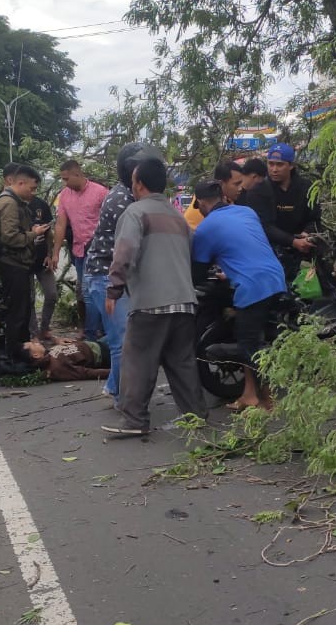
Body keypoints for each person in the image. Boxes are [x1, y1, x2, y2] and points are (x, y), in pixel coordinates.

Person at [102, 157, 207, 437]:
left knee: (137, 360)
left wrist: (113, 289)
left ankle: (135, 421)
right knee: (182, 362)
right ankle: (196, 416)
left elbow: (124, 252)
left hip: (150, 302)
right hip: (185, 301)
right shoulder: (178, 217)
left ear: (139, 183)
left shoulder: (136, 213)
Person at [192, 180, 286, 409]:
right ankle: (249, 394)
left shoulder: (206, 228)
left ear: (202, 202)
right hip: (275, 277)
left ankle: (265, 400)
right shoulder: (246, 211)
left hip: (252, 286)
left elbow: (197, 272)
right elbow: (244, 249)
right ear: (224, 197)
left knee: (248, 346)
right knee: (248, 337)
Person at [83, 142, 160, 405]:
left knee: (126, 339)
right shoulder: (121, 201)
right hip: (106, 276)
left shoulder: (134, 197)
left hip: (117, 276)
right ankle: (124, 401)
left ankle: (115, 387)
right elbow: (136, 245)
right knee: (123, 341)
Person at [0, 165, 50, 366]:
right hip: (13, 264)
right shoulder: (8, 203)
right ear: (20, 182)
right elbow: (9, 236)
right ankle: (14, 357)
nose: (33, 194)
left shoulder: (14, 202)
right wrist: (34, 234)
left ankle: (18, 354)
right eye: (32, 189)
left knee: (22, 312)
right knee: (16, 314)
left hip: (18, 264)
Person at [243, 144, 321, 281]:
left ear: (291, 165)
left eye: (280, 165)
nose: (274, 169)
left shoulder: (306, 187)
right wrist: (293, 242)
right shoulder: (258, 191)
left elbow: (315, 218)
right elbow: (264, 226)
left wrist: (306, 234)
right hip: (271, 254)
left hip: (304, 251)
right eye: (271, 164)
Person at [51, 159, 107, 338]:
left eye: (66, 179)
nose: (65, 183)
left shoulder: (100, 192)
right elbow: (60, 225)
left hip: (101, 251)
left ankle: (99, 333)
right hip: (79, 251)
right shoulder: (65, 196)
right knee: (85, 293)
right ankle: (91, 332)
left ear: (77, 174)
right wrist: (55, 253)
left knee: (99, 291)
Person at [28, 192, 56, 340]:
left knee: (51, 294)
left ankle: (45, 329)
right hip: (24, 261)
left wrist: (50, 255)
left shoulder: (41, 205)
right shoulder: (15, 206)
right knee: (29, 298)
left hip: (42, 260)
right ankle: (34, 334)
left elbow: (49, 233)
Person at [23, 335, 110, 382]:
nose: (37, 343)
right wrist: (114, 373)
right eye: (34, 344)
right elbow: (84, 373)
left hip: (96, 344)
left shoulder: (48, 355)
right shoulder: (56, 368)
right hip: (104, 352)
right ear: (36, 355)